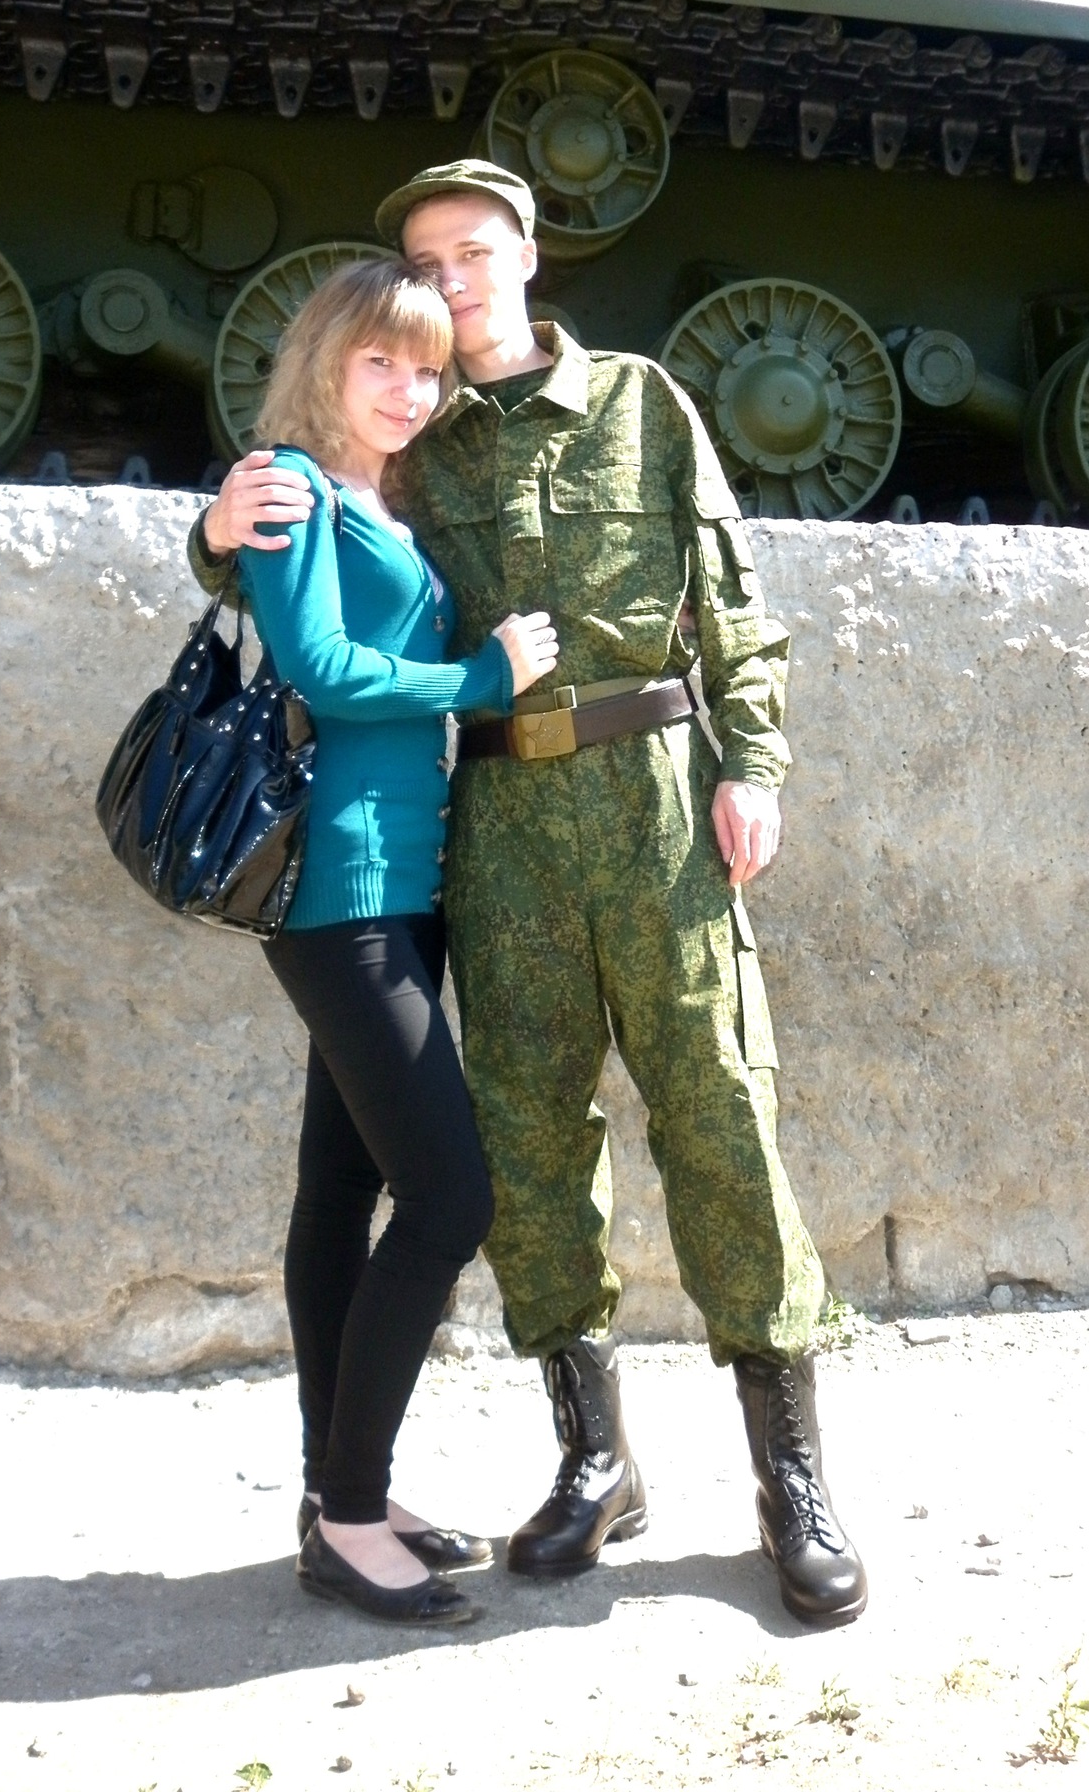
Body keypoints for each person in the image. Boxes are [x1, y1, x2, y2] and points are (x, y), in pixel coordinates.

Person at [191, 163, 868, 1626]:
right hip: (496, 823)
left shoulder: (640, 401)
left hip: (656, 795)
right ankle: (593, 1461)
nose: (454, 277)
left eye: (475, 250)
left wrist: (755, 761)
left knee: (722, 1113)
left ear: (528, 253)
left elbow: (732, 592)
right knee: (529, 1141)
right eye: (427, 259)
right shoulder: (415, 434)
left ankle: (792, 1480)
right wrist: (214, 531)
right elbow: (302, 565)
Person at [231, 255, 559, 1627]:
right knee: (449, 1201)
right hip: (343, 896)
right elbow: (317, 666)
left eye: (428, 369)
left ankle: (337, 1491)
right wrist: (481, 677)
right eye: (383, 362)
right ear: (325, 360)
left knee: (339, 1192)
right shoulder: (292, 487)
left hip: (397, 892)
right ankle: (350, 1519)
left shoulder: (376, 499)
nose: (411, 391)